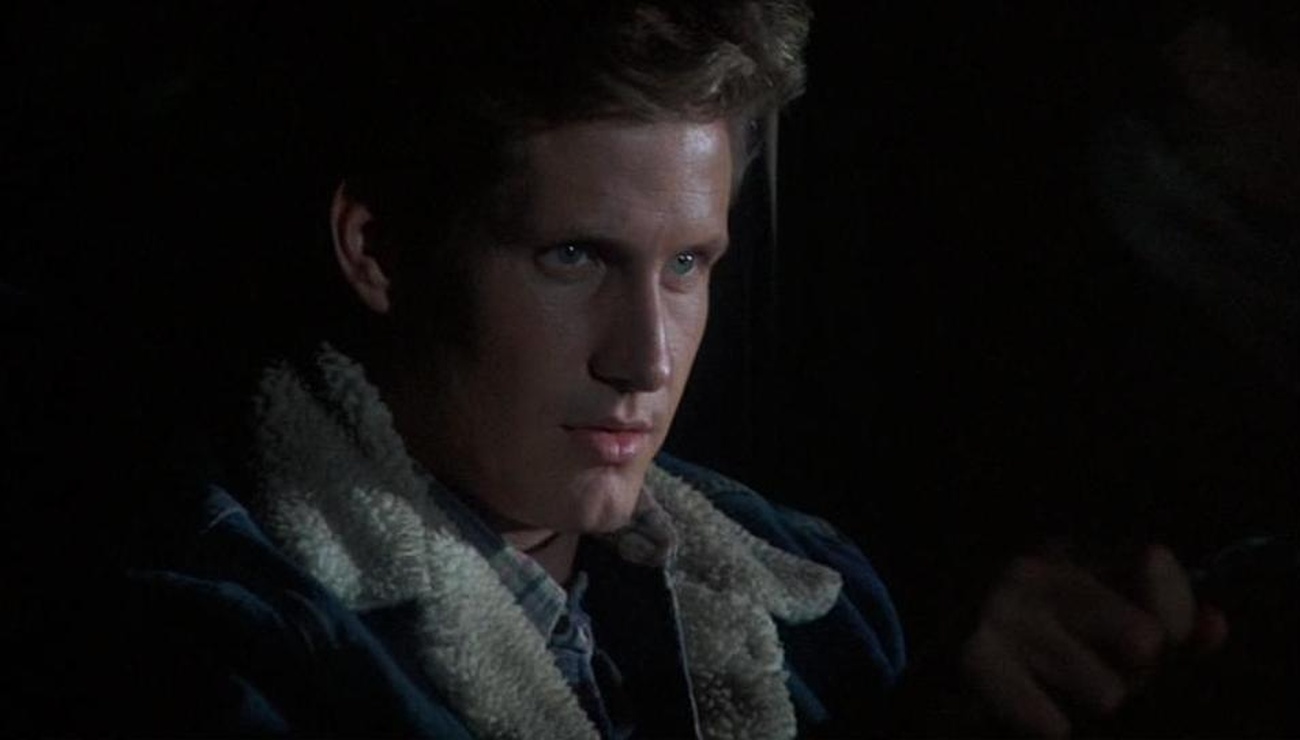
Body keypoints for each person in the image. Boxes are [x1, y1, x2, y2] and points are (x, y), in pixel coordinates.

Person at [2, 3, 915, 737]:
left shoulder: (825, 603)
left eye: (685, 264)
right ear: (379, 251)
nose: (647, 359)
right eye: (573, 256)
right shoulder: (218, 637)